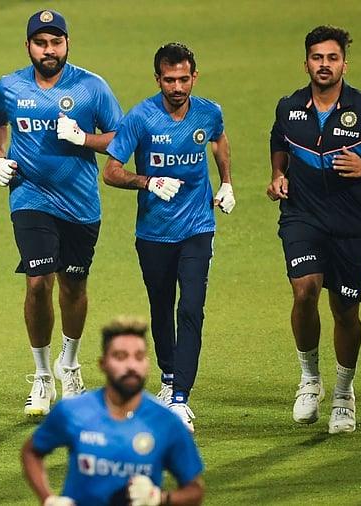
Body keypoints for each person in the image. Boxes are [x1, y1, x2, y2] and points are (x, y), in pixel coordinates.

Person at [266, 25, 361, 434]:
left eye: (332, 58)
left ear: (344, 63)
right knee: (304, 290)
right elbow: (279, 140)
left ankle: (344, 392)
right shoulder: (289, 106)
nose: (323, 64)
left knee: (346, 311)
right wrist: (277, 174)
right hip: (302, 217)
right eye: (317, 57)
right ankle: (310, 380)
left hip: (351, 225)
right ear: (306, 62)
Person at [0, 9, 123, 416]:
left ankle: (70, 363)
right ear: (27, 46)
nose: (49, 50)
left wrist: (84, 138)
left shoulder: (91, 87)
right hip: (30, 197)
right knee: (38, 281)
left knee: (73, 287)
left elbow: (121, 135)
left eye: (56, 42)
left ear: (67, 44)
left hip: (80, 203)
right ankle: (43, 376)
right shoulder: (8, 86)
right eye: (41, 43)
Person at [102, 42, 234, 434]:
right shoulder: (140, 118)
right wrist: (147, 181)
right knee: (162, 308)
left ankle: (180, 398)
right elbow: (110, 171)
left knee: (191, 307)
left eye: (184, 78)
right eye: (169, 79)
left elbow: (219, 140)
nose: (177, 86)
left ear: (194, 76)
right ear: (157, 78)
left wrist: (226, 182)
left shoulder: (209, 112)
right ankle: (168, 377)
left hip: (197, 227)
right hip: (154, 233)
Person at [21, 316, 204, 506]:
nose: (131, 366)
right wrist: (48, 499)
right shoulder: (73, 411)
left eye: (139, 356)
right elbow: (31, 452)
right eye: (121, 356)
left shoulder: (166, 422)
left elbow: (195, 491)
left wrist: (160, 498)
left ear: (147, 364)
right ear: (103, 364)